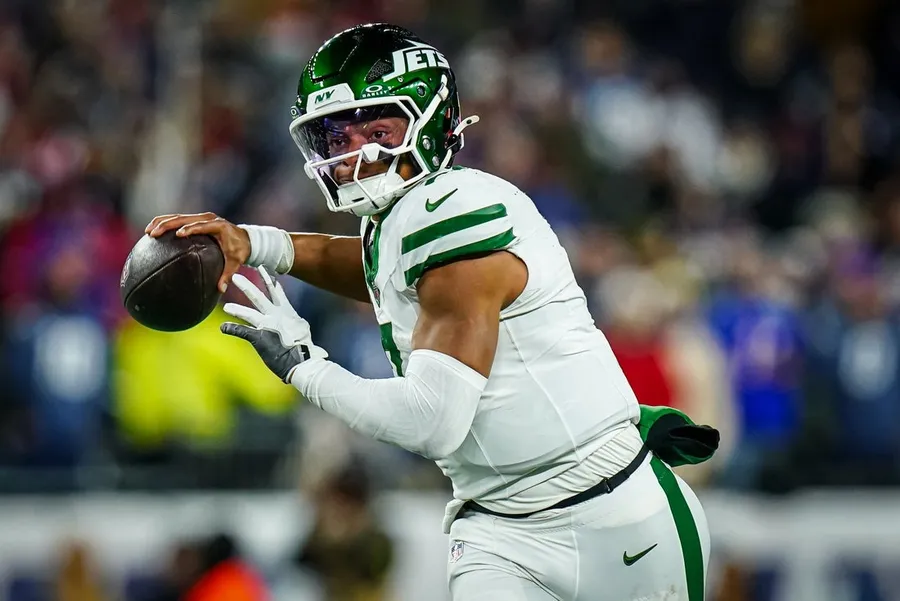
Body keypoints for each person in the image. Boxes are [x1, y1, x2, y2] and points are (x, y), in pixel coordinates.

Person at [146, 23, 711, 601]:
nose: (352, 156)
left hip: (614, 512)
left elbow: (433, 422)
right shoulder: (405, 218)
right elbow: (381, 270)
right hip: (497, 525)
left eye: (376, 131)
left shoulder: (455, 214)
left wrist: (306, 369)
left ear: (431, 122)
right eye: (336, 136)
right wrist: (256, 242)